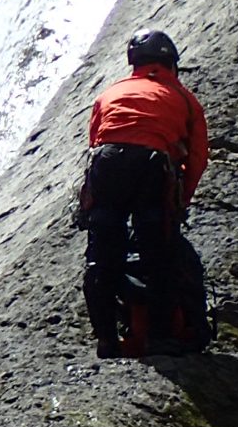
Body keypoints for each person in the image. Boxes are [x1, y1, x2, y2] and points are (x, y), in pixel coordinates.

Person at [78, 29, 209, 356]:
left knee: (102, 253)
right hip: (152, 166)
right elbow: (197, 157)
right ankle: (161, 337)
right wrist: (180, 202)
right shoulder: (183, 98)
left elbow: (95, 140)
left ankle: (107, 339)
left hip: (107, 163)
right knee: (158, 252)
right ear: (170, 62)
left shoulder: (110, 93)